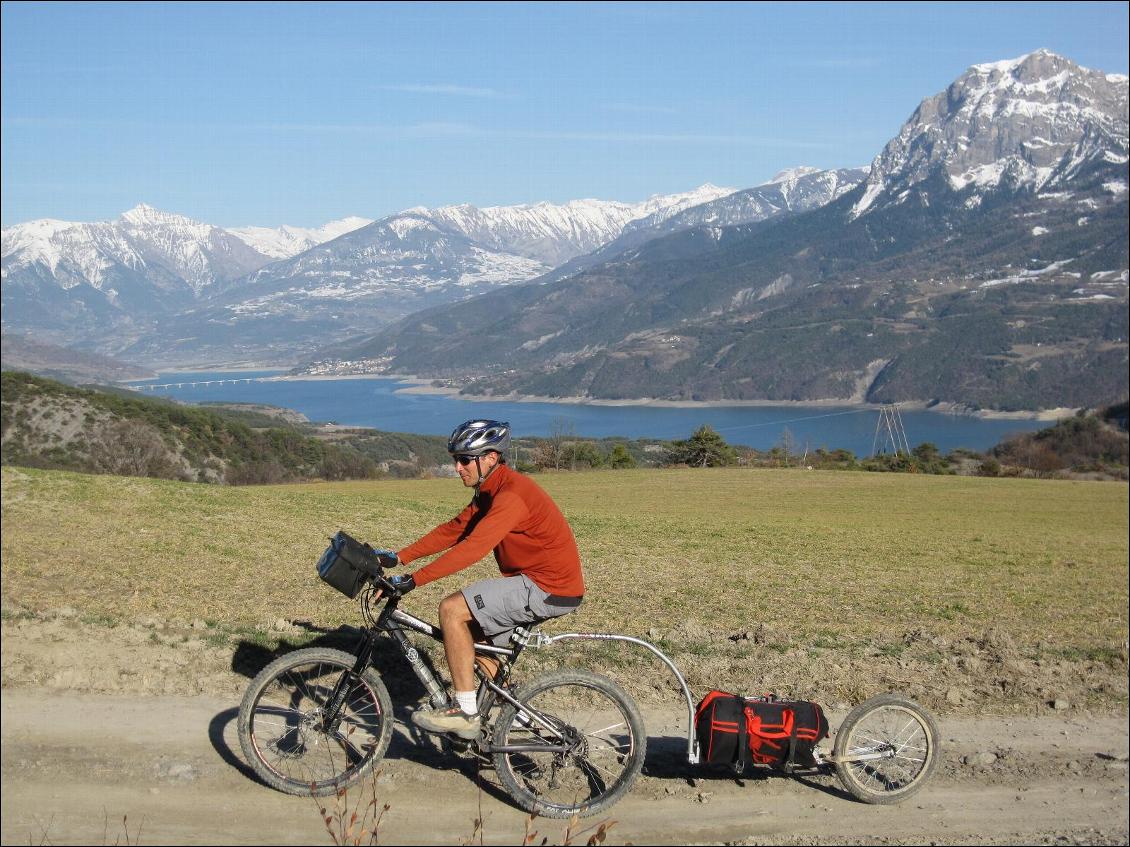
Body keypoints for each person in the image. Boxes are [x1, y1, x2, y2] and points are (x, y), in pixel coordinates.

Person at [386, 419, 585, 739]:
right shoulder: (491, 489)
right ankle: (515, 715)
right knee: (470, 640)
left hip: (546, 587)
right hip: (536, 582)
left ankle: (465, 714)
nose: (457, 468)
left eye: (464, 460)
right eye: (456, 459)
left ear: (490, 458)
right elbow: (456, 528)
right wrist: (399, 557)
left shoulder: (511, 495)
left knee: (452, 611)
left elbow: (473, 548)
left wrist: (414, 579)